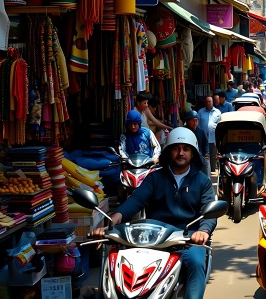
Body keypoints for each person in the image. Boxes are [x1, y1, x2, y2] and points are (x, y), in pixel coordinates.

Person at [92, 128, 216, 299]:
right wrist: (116, 216)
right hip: (153, 237)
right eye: (176, 148)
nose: (181, 153)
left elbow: (210, 212)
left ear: (193, 153)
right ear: (169, 151)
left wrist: (203, 231)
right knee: (118, 258)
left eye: (186, 149)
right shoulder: (155, 178)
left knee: (196, 261)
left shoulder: (203, 182)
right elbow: (137, 199)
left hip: (187, 239)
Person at [197, 97, 222, 176]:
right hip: (203, 138)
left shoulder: (217, 112)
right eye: (207, 101)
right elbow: (198, 124)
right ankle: (206, 172)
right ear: (205, 102)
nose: (208, 103)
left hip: (214, 138)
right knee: (205, 155)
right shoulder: (200, 112)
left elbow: (220, 125)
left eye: (210, 101)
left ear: (212, 102)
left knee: (213, 156)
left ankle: (212, 171)